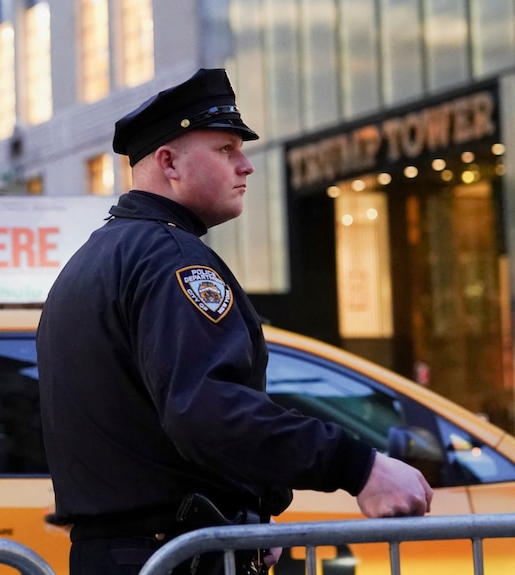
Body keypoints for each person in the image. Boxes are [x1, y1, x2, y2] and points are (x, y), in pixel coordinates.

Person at [36, 69, 433, 575]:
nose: (245, 165)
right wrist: (360, 466)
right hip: (170, 557)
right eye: (225, 149)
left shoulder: (95, 258)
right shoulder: (174, 260)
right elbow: (207, 413)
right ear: (169, 162)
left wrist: (242, 513)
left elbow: (150, 425)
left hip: (128, 551)